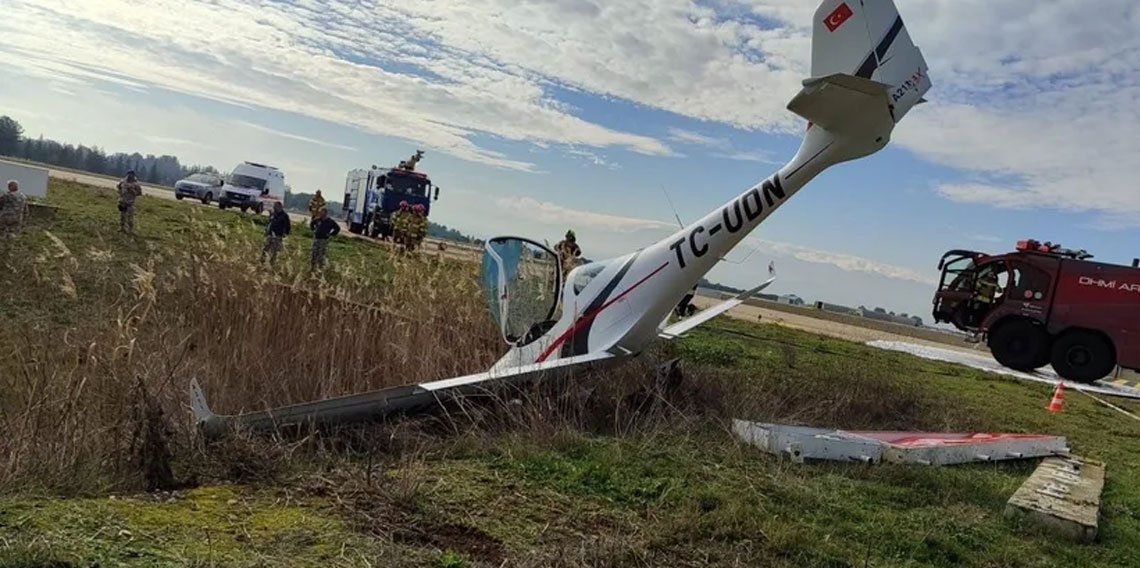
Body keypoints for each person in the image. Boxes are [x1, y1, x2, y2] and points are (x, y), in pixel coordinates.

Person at [261, 201, 291, 266]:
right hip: (269, 235)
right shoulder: (273, 214)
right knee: (265, 248)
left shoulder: (284, 215)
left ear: (280, 207)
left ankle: (271, 264)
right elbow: (269, 222)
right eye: (274, 206)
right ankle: (262, 262)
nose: (274, 207)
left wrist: (285, 234)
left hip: (277, 236)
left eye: (275, 206)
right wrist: (267, 229)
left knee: (274, 251)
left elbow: (288, 226)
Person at [116, 170, 143, 235]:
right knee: (122, 216)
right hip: (122, 201)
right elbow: (118, 187)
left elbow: (139, 193)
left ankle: (130, 230)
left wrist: (133, 191)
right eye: (129, 174)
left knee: (130, 217)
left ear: (134, 175)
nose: (130, 176)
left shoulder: (136, 184)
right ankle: (122, 228)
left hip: (130, 203)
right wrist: (120, 193)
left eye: (131, 174)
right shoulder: (122, 182)